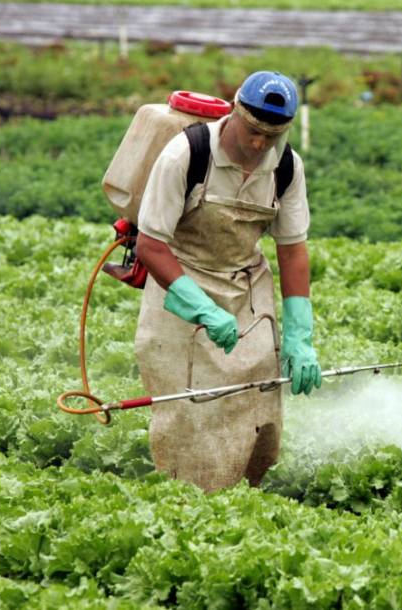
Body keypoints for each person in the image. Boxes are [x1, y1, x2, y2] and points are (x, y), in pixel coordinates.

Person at [134, 71, 322, 493]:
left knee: (257, 403)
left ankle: (245, 497)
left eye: (271, 136)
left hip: (245, 288)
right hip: (179, 284)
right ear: (235, 111)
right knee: (190, 411)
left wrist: (300, 335)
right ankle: (188, 497)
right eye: (253, 131)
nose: (259, 144)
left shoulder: (286, 167)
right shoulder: (186, 155)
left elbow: (292, 249)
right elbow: (151, 246)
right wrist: (201, 308)